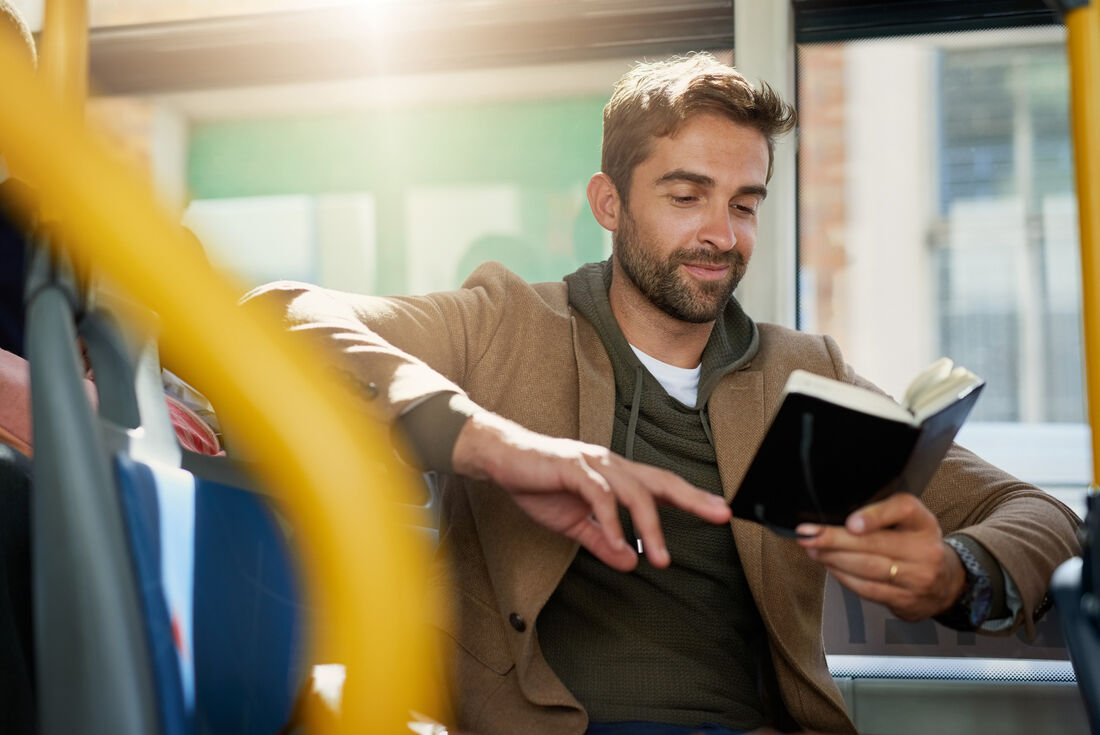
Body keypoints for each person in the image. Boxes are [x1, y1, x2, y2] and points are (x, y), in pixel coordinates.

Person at [243, 53, 1080, 735]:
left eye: (745, 204)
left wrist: (957, 573)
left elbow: (1037, 511)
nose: (722, 235)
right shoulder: (505, 320)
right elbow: (278, 315)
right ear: (609, 203)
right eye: (687, 197)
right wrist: (498, 445)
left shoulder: (802, 371)